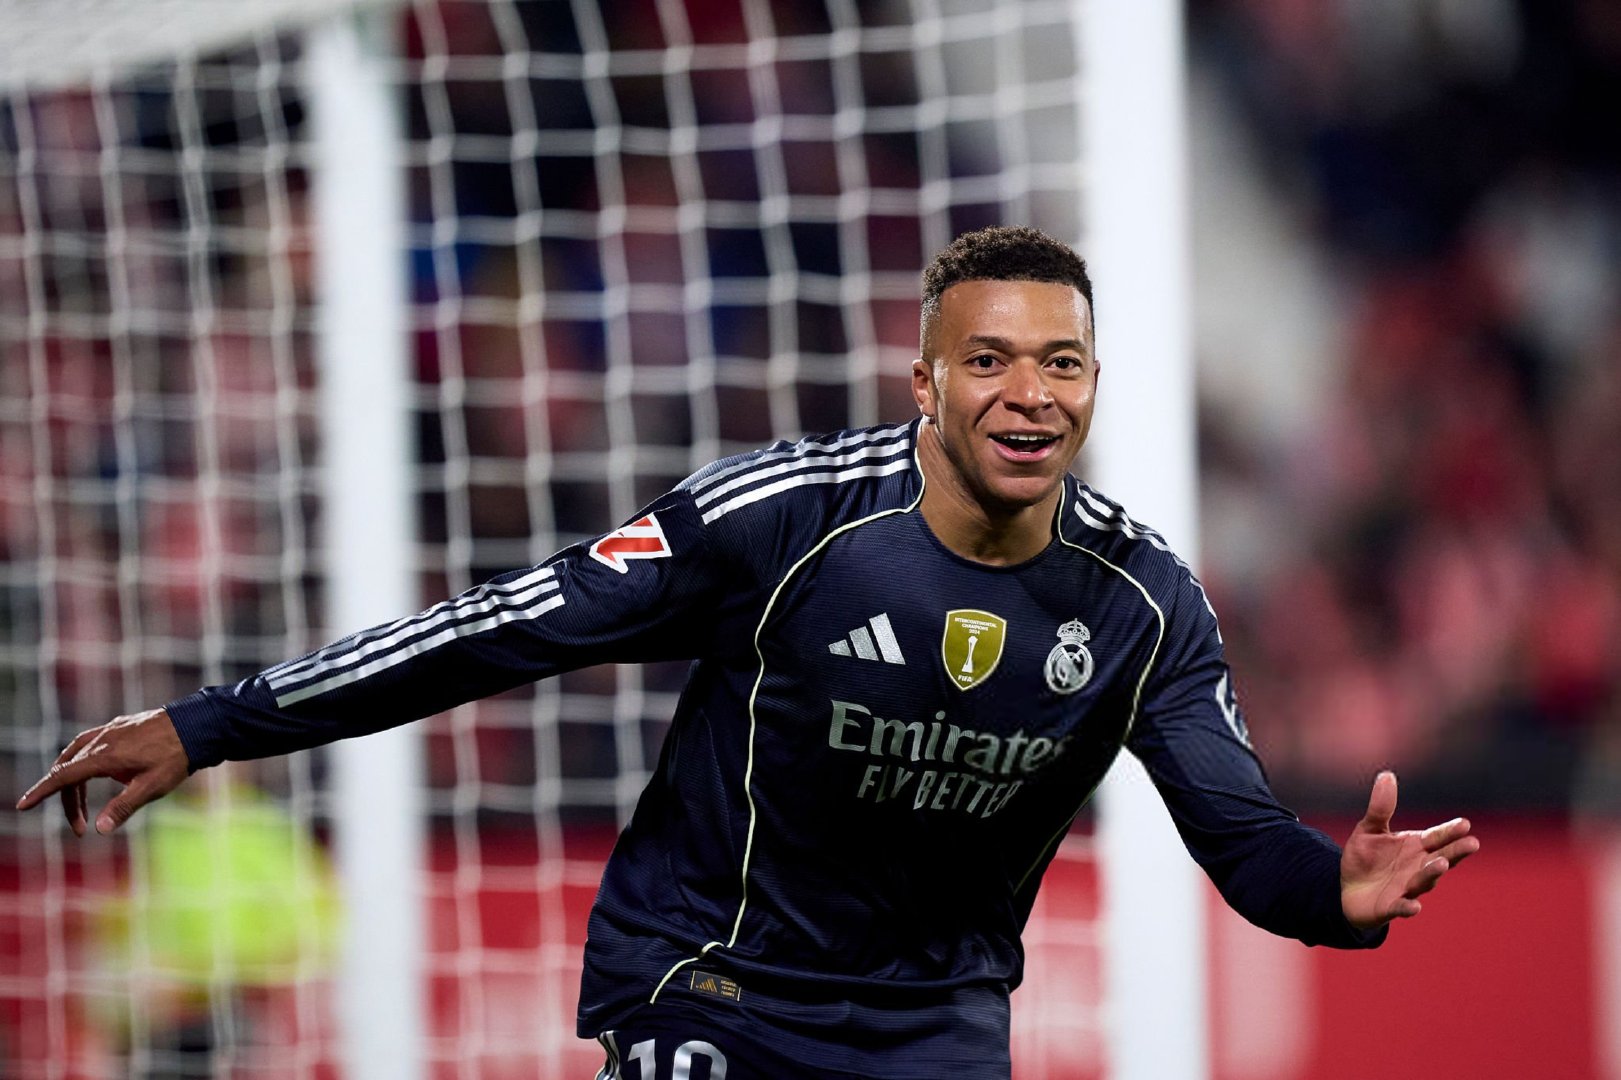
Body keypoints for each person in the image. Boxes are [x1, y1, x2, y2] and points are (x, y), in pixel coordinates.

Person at [19, 226, 1479, 1079]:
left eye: (1060, 363)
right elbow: (500, 632)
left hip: (934, 1026)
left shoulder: (1144, 602)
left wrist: (1335, 896)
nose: (1028, 394)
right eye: (988, 360)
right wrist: (214, 723)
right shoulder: (776, 522)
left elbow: (1241, 839)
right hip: (710, 982)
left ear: (1095, 384)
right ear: (924, 380)